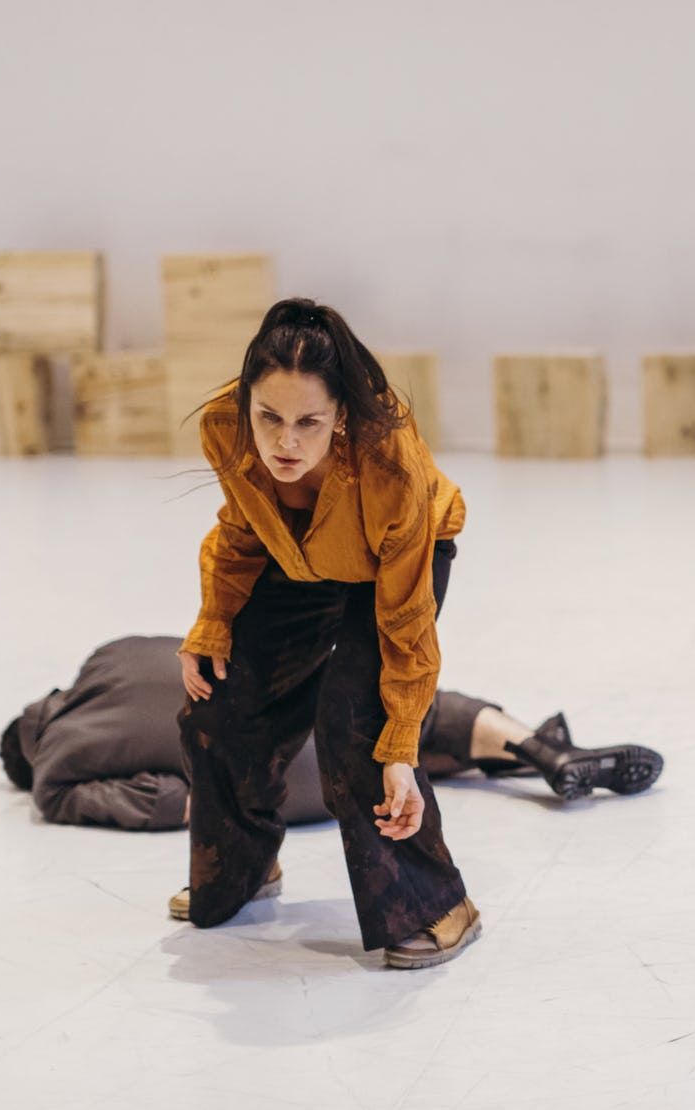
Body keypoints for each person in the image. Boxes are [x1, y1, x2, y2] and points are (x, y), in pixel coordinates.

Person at [176, 298, 484, 969]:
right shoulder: (225, 426)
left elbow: (405, 622)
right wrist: (214, 622)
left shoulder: (388, 462)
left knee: (355, 722)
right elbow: (242, 528)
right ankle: (243, 866)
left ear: (340, 415)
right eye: (269, 417)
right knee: (217, 706)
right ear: (247, 400)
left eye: (308, 423)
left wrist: (400, 745)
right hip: (297, 558)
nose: (284, 442)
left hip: (395, 564)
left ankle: (436, 902)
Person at [0, 635, 663, 832]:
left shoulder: (53, 781)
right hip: (302, 695)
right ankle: (540, 747)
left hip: (286, 782)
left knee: (364, 772)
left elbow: (170, 801)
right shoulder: (109, 654)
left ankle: (511, 759)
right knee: (417, 715)